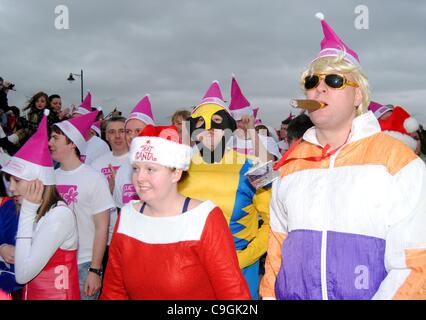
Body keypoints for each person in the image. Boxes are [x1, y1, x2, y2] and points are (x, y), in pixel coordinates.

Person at [260, 13, 426, 300]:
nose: (319, 88)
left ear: (358, 96)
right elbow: (277, 249)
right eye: (312, 81)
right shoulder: (290, 164)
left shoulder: (398, 162)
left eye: (334, 80)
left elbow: (414, 265)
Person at [101, 125, 251, 300]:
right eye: (136, 168)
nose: (139, 177)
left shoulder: (204, 218)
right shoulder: (127, 216)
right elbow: (114, 291)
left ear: (176, 173)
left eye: (150, 169)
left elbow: (233, 294)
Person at [178, 81, 271, 300]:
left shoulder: (256, 166)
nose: (209, 127)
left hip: (240, 273)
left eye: (217, 121)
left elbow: (275, 220)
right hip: (189, 273)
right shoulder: (176, 168)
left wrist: (245, 257)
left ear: (230, 128)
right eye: (201, 122)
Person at [2, 110, 80, 300]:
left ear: (39, 182)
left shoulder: (59, 215)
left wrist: (27, 211)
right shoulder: (31, 208)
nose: (11, 188)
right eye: (9, 181)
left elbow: (22, 274)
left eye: (17, 181)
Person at [50, 109, 115, 300]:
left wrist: (95, 270)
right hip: (53, 261)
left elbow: (102, 227)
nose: (49, 143)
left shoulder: (94, 178)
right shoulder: (50, 177)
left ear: (71, 143)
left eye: (55, 138)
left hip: (84, 263)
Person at [90, 116, 129, 271]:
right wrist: (109, 191)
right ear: (106, 136)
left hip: (132, 236)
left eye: (122, 131)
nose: (118, 136)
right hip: (106, 238)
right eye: (112, 132)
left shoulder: (137, 160)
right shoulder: (96, 164)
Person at [113, 94, 155, 209]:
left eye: (138, 130)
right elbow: (120, 211)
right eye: (128, 131)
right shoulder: (122, 170)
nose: (132, 136)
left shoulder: (164, 166)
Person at [228, 75, 275, 162]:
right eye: (235, 121)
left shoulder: (266, 140)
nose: (238, 124)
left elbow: (270, 163)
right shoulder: (227, 142)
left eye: (241, 120)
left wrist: (251, 129)